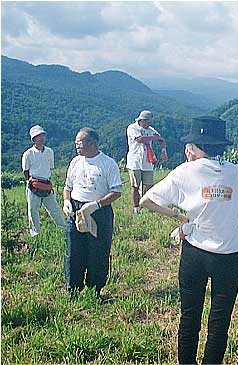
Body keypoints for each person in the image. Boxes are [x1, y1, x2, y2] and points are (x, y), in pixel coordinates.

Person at [140, 116, 238, 365]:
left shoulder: (185, 171)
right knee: (220, 323)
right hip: (229, 254)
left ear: (196, 146)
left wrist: (179, 216)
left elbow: (147, 199)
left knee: (189, 317)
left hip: (196, 254)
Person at [62, 128, 122, 299]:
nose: (76, 146)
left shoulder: (108, 163)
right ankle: (72, 289)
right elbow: (68, 188)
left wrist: (96, 204)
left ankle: (95, 290)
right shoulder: (75, 162)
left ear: (92, 143)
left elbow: (116, 191)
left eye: (79, 142)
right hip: (76, 209)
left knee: (98, 251)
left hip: (98, 211)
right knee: (74, 250)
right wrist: (67, 201)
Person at [21, 125, 66, 237]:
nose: (41, 138)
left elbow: (50, 167)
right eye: (38, 136)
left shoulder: (50, 152)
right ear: (34, 139)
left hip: (46, 183)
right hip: (34, 184)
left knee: (54, 209)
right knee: (32, 210)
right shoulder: (28, 154)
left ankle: (64, 228)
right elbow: (25, 171)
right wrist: (30, 182)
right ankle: (35, 233)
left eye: (42, 135)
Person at [126, 110, 168, 217]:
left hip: (147, 161)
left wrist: (163, 150)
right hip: (135, 161)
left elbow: (161, 139)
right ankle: (136, 208)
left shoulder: (151, 130)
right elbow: (140, 139)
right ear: (142, 120)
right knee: (135, 186)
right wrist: (154, 137)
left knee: (148, 185)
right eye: (148, 121)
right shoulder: (132, 128)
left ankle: (147, 205)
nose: (150, 124)